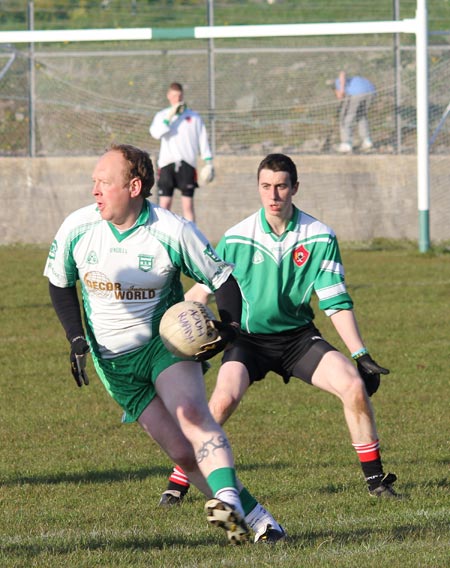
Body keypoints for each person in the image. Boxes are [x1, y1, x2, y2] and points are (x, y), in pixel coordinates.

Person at [43, 143, 285, 545]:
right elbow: (59, 281)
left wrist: (231, 325)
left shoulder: (172, 230)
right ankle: (252, 523)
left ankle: (228, 504)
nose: (95, 191)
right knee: (182, 454)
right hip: (114, 364)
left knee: (191, 414)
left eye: (104, 182)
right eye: (94, 182)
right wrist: (75, 336)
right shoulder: (78, 228)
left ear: (134, 186)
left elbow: (221, 279)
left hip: (165, 346)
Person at [160, 152, 398, 508]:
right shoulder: (237, 237)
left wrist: (361, 355)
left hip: (298, 339)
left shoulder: (319, 236)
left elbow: (334, 301)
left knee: (352, 384)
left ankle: (376, 480)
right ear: (258, 188)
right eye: (266, 187)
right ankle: (177, 484)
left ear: (295, 188)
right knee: (221, 402)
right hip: (248, 341)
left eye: (282, 187)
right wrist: (173, 325)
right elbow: (205, 291)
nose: (274, 195)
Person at [149, 82, 214, 223]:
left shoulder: (194, 117)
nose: (176, 99)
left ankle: (191, 241)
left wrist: (208, 162)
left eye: (179, 96)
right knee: (164, 205)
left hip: (187, 164)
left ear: (182, 96)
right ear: (168, 96)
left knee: (188, 206)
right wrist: (169, 117)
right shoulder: (162, 116)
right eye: (173, 96)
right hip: (167, 164)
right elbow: (155, 133)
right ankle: (163, 239)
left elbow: (203, 139)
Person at [334, 71, 376, 153]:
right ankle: (367, 141)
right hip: (371, 92)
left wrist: (341, 90)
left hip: (357, 94)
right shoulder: (353, 80)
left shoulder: (337, 82)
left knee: (345, 118)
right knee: (361, 116)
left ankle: (346, 144)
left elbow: (342, 73)